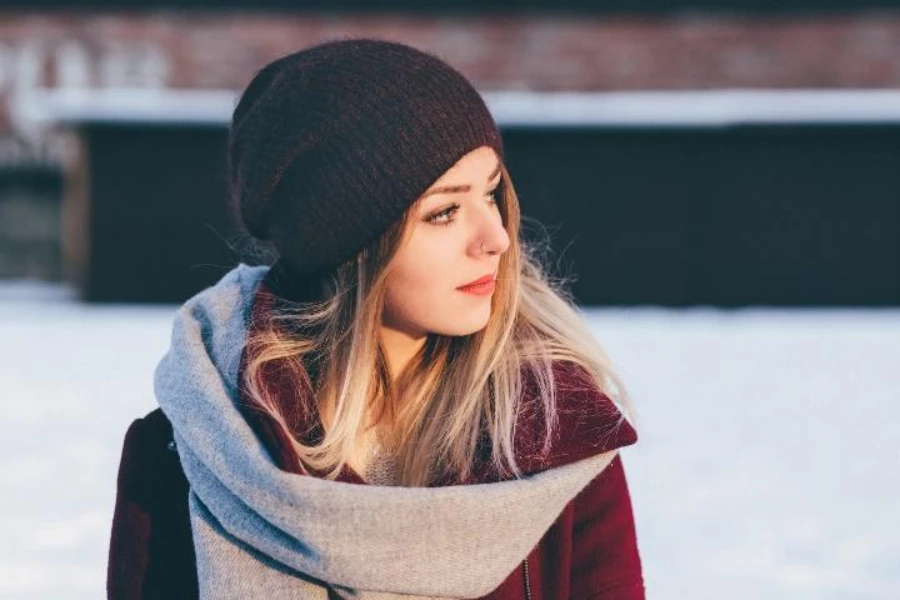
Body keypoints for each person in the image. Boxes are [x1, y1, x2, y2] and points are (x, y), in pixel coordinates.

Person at [106, 37, 645, 599]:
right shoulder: (195, 451)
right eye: (444, 212)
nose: (497, 238)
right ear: (349, 246)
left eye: (491, 194)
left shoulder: (552, 442)